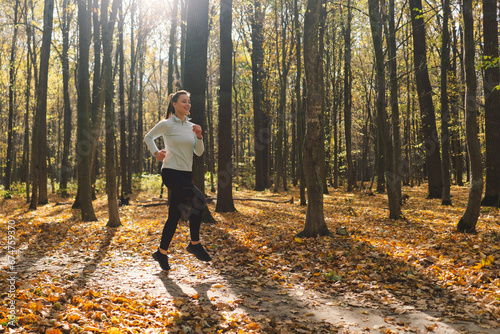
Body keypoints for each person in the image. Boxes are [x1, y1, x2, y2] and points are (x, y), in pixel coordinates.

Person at [144, 90, 211, 271]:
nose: (187, 104)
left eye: (189, 101)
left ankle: (161, 252)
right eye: (183, 101)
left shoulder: (191, 126)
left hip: (185, 173)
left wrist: (199, 136)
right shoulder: (167, 124)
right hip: (171, 172)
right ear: (174, 104)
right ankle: (195, 244)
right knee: (199, 200)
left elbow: (199, 152)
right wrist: (156, 152)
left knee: (174, 216)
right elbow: (148, 137)